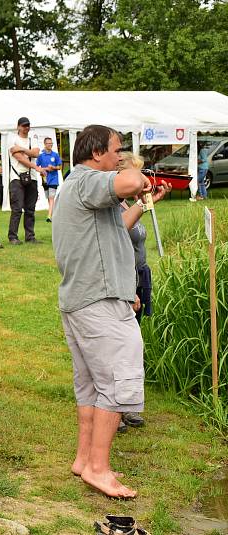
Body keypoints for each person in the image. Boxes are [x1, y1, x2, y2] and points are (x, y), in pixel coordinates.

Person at [51, 124, 152, 499]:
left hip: (87, 297)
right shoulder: (90, 179)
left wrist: (126, 289)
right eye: (116, 150)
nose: (119, 157)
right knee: (117, 379)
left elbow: (114, 230)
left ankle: (84, 459)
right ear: (96, 153)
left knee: (91, 383)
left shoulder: (74, 186)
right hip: (98, 301)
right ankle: (99, 467)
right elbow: (127, 181)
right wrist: (137, 177)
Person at [115, 153, 171, 433]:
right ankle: (118, 409)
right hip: (125, 280)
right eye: (136, 176)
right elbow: (119, 246)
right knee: (123, 345)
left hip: (139, 276)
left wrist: (152, 200)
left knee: (133, 343)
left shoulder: (130, 202)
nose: (141, 181)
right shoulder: (114, 207)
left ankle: (126, 407)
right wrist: (127, 290)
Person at [8, 117, 46, 245]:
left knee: (30, 209)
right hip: (16, 177)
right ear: (18, 127)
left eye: (28, 125)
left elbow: (35, 154)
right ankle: (13, 236)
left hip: (32, 177)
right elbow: (19, 158)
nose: (26, 128)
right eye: (24, 126)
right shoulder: (12, 138)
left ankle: (30, 236)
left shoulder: (32, 139)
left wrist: (22, 149)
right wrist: (35, 166)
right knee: (17, 209)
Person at [36, 137, 62, 222]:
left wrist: (53, 167)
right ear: (45, 144)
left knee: (51, 197)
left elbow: (60, 167)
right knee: (48, 198)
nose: (50, 145)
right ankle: (52, 214)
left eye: (51, 143)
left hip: (54, 179)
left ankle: (49, 216)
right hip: (45, 179)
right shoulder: (41, 156)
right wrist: (43, 170)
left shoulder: (55, 155)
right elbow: (36, 166)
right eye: (48, 143)